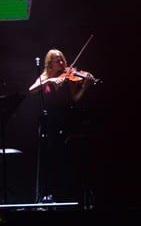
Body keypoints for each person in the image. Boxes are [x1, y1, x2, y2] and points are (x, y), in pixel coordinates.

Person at [28, 48, 99, 203]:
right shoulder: (45, 76)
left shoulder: (68, 77)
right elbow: (31, 90)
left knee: (63, 158)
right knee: (48, 158)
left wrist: (85, 86)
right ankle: (45, 195)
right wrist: (49, 81)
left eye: (62, 59)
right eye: (57, 60)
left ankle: (64, 194)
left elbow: (75, 98)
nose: (61, 62)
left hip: (64, 119)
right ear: (49, 63)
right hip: (48, 121)